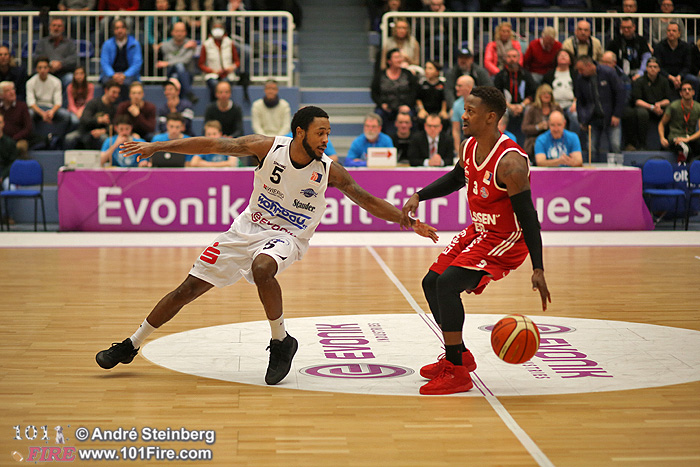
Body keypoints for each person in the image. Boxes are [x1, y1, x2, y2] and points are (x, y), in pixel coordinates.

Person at [96, 106, 438, 386]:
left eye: (328, 133)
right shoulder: (267, 147)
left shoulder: (329, 170)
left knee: (263, 267)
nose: (326, 139)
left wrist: (407, 221)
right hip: (246, 228)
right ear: (300, 132)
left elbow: (366, 199)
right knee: (187, 289)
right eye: (320, 133)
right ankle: (131, 344)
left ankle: (280, 341)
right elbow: (213, 145)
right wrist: (159, 146)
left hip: (290, 235)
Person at [401, 86, 550, 395]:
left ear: (491, 117)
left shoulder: (510, 164)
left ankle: (457, 372)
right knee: (431, 282)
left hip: (507, 238)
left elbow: (528, 217)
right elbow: (457, 178)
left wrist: (538, 267)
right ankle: (459, 355)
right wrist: (420, 195)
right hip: (480, 230)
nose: (463, 116)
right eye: (464, 110)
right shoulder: (468, 146)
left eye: (471, 111)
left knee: (447, 284)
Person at [574, 56, 625, 162]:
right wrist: (582, 120)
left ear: (589, 66)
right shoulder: (580, 79)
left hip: (611, 115)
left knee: (615, 145)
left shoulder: (608, 72)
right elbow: (580, 101)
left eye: (581, 69)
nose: (580, 72)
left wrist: (617, 114)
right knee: (591, 148)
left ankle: (618, 169)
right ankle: (592, 170)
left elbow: (620, 93)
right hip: (592, 118)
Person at [622, 58, 673, 150]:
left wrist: (659, 104)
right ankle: (642, 144)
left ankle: (667, 143)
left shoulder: (664, 81)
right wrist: (652, 107)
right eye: (650, 67)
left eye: (655, 67)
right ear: (646, 68)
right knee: (641, 113)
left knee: (670, 111)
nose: (652, 69)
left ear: (659, 69)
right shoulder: (639, 81)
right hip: (645, 107)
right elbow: (637, 101)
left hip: (659, 107)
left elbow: (668, 100)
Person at [493, 49, 537, 145]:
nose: (512, 59)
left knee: (530, 110)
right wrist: (510, 106)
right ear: (505, 59)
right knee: (501, 112)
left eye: (514, 56)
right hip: (506, 105)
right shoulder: (500, 76)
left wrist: (522, 105)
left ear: (519, 58)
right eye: (509, 57)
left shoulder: (526, 74)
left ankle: (526, 144)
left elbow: (533, 93)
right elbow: (496, 94)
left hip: (523, 105)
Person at [371, 48, 419, 133]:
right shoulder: (380, 75)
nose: (399, 60)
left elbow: (414, 91)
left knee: (410, 115)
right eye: (396, 57)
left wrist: (407, 105)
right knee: (377, 116)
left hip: (405, 107)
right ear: (389, 61)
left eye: (400, 57)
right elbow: (374, 93)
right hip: (385, 107)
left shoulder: (408, 74)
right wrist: (382, 104)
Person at [26, 57, 73, 142]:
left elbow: (58, 102)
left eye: (45, 67)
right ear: (36, 69)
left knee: (66, 115)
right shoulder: (30, 82)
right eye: (40, 68)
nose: (42, 70)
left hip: (51, 107)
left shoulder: (56, 81)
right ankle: (34, 139)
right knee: (29, 114)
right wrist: (42, 114)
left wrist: (52, 112)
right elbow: (31, 103)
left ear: (49, 69)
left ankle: (58, 139)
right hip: (37, 108)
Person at [65, 80, 121, 150]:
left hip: (102, 134)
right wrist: (98, 120)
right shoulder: (93, 103)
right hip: (85, 132)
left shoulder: (115, 109)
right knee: (69, 138)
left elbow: (115, 126)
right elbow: (84, 119)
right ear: (106, 90)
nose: (116, 95)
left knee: (106, 139)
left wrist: (103, 131)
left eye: (118, 93)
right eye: (114, 92)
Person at [99, 19, 143, 102]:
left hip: (128, 74)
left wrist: (125, 75)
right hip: (111, 74)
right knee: (107, 82)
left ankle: (126, 106)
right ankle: (107, 106)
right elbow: (104, 63)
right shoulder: (107, 44)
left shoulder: (134, 44)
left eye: (122, 27)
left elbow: (137, 63)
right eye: (117, 28)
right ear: (113, 30)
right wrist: (113, 75)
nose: (120, 30)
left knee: (126, 83)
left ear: (126, 29)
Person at [198, 20, 241, 102]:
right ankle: (215, 105)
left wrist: (232, 68)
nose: (217, 30)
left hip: (228, 74)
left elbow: (237, 61)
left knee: (225, 86)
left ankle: (226, 105)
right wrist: (212, 71)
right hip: (212, 75)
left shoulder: (229, 42)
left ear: (224, 29)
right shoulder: (207, 44)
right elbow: (201, 64)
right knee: (215, 85)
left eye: (220, 28)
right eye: (215, 28)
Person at [658, 80, 700, 163]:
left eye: (689, 89)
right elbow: (661, 124)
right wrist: (662, 138)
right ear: (681, 93)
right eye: (684, 90)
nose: (687, 91)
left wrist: (688, 139)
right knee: (685, 149)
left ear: (693, 92)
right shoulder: (673, 106)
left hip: (690, 138)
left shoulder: (698, 107)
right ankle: (682, 169)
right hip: (676, 138)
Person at [157, 22, 199, 104]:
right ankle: (189, 93)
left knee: (176, 74)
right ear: (172, 32)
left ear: (185, 32)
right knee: (178, 65)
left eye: (182, 31)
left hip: (187, 74)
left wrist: (168, 63)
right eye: (177, 31)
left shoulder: (191, 43)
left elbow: (186, 60)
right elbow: (171, 59)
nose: (179, 33)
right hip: (170, 71)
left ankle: (175, 105)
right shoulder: (166, 45)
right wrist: (184, 48)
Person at [654, 22, 699, 96]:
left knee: (694, 80)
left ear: (679, 33)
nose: (671, 33)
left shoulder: (686, 47)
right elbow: (659, 67)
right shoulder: (659, 47)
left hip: (681, 75)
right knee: (660, 80)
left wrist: (679, 76)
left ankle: (692, 102)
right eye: (669, 30)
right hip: (665, 75)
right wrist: (671, 77)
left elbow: (687, 66)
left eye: (674, 31)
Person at [443, 46, 491, 110]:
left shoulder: (480, 72)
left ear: (471, 59)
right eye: (461, 58)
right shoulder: (451, 73)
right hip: (457, 104)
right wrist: (453, 107)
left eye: (466, 58)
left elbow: (488, 89)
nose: (463, 60)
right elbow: (449, 91)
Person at [34, 17, 77, 88]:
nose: (56, 28)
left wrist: (61, 64)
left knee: (70, 78)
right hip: (46, 73)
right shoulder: (42, 42)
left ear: (63, 28)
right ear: (50, 27)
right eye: (54, 25)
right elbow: (36, 57)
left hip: (63, 73)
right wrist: (49, 64)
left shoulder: (70, 43)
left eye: (59, 26)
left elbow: (73, 59)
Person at [521, 84, 561, 159]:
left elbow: (563, 124)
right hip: (536, 138)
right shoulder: (532, 109)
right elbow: (524, 128)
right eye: (544, 93)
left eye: (549, 93)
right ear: (539, 95)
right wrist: (538, 127)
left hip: (554, 137)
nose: (547, 95)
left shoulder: (556, 108)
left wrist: (552, 126)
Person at [606, 17, 652, 82]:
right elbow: (610, 61)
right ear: (620, 28)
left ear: (634, 27)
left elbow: (646, 58)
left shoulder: (641, 41)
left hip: (639, 75)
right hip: (619, 76)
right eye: (623, 28)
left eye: (629, 27)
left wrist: (640, 73)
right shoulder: (614, 42)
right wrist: (621, 74)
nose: (626, 30)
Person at [543, 49, 579, 132]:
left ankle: (573, 137)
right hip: (554, 104)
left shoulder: (575, 74)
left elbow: (580, 91)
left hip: (570, 105)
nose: (563, 57)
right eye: (560, 55)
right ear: (556, 59)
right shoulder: (550, 74)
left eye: (565, 55)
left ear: (570, 60)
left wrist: (575, 103)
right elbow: (544, 90)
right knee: (554, 119)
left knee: (575, 116)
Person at [0, 81, 32, 157]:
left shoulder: (22, 106)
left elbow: (28, 128)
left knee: (21, 146)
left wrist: (14, 138)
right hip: (2, 139)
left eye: (13, 89)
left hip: (18, 139)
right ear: (1, 95)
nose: (12, 92)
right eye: (8, 90)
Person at [416, 61, 449, 125]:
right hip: (425, 110)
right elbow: (418, 98)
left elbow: (444, 99)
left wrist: (443, 110)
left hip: (438, 111)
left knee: (445, 119)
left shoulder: (442, 84)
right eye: (426, 68)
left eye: (430, 68)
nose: (427, 71)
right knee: (420, 119)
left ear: (437, 72)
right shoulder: (422, 83)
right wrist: (421, 110)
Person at [451, 75, 474, 157]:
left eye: (460, 86)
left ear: (469, 87)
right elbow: (456, 130)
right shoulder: (456, 105)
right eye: (456, 85)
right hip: (466, 139)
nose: (456, 88)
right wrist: (458, 152)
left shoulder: (482, 103)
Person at [0, 113, 19, 191]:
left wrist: (2, 176)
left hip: (5, 175)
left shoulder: (10, 143)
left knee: (11, 188)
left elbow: (13, 162)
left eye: (0, 122)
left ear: (3, 124)